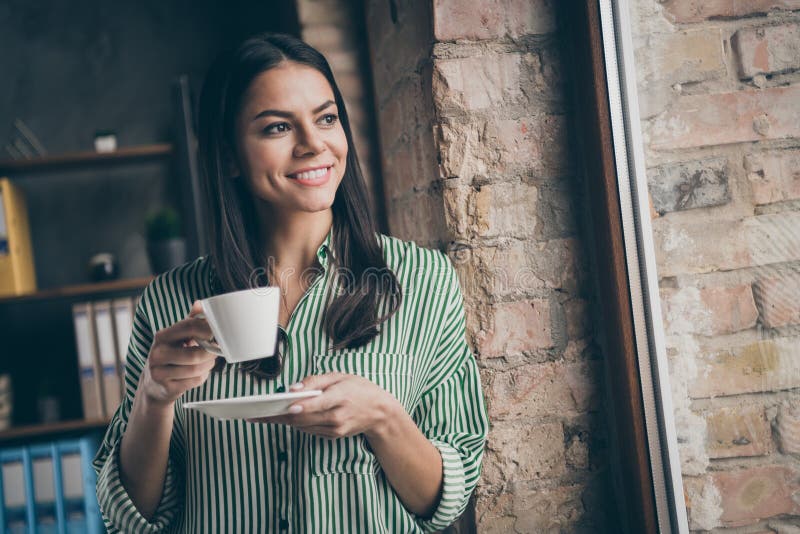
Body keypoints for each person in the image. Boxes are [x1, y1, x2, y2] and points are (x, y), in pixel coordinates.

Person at [92, 32, 488, 533]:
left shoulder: (422, 281)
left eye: (326, 118)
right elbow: (131, 520)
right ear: (230, 156)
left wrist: (383, 418)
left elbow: (447, 501)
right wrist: (154, 396)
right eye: (278, 127)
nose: (313, 144)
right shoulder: (170, 302)